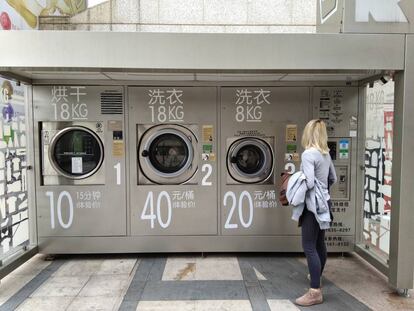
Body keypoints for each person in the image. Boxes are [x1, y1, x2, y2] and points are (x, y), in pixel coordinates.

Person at [295, 119, 337, 307]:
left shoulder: (308, 154)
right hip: (325, 203)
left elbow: (309, 183)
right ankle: (316, 277)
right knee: (320, 243)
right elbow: (333, 178)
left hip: (312, 205)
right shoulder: (325, 154)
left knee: (309, 246)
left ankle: (314, 292)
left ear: (308, 133)